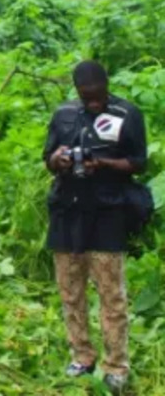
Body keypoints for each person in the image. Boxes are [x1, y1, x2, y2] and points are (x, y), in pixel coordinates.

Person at [44, 60, 147, 395]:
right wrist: (58, 160)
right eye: (87, 96)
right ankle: (82, 357)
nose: (94, 102)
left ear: (107, 85)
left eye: (98, 95)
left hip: (107, 213)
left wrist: (102, 163)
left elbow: (138, 162)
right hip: (67, 211)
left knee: (111, 294)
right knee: (70, 291)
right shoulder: (64, 115)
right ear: (77, 91)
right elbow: (48, 158)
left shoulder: (126, 114)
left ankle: (116, 365)